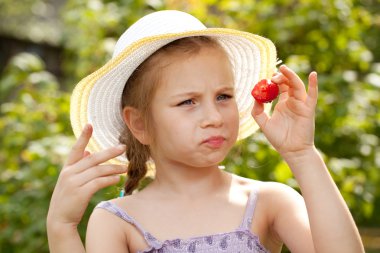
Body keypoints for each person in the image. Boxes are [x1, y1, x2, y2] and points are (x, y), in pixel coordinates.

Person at [47, 10, 364, 253]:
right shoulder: (117, 221)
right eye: (188, 102)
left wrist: (302, 155)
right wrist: (62, 227)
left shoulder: (269, 202)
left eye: (223, 97)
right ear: (140, 124)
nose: (213, 117)